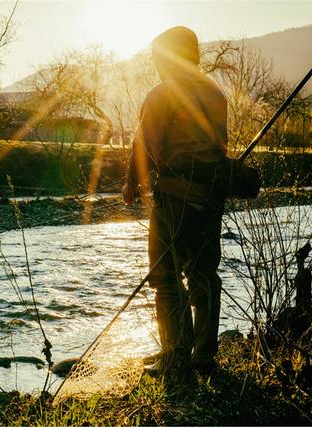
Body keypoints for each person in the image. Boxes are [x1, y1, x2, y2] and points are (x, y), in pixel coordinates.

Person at [122, 26, 228, 379]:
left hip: (175, 199)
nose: (154, 64)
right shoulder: (216, 93)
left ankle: (175, 353)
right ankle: (204, 354)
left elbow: (146, 147)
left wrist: (130, 183)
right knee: (204, 275)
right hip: (211, 199)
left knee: (165, 276)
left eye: (157, 57)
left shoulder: (161, 94)